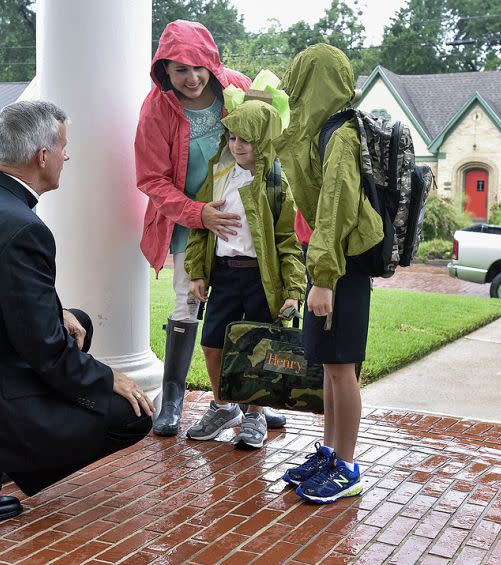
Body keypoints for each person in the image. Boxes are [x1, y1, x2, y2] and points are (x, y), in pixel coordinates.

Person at [0, 101, 154, 522]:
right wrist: (108, 377)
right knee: (131, 415)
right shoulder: (24, 227)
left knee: (80, 322)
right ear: (43, 156)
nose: (67, 156)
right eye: (63, 147)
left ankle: (7, 448)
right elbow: (44, 351)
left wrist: (58, 310)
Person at [134, 20, 286, 435]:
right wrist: (199, 213)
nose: (192, 77)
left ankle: (255, 398)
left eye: (199, 66)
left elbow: (271, 134)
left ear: (213, 62)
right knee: (189, 306)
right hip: (191, 224)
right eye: (180, 69)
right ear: (164, 68)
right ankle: (175, 400)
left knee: (258, 307)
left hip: (248, 223)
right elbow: (151, 179)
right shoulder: (156, 109)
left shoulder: (237, 88)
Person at [274, 45, 384, 504]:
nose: (291, 85)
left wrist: (323, 279)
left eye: (299, 77)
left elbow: (336, 208)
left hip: (341, 264)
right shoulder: (320, 130)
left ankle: (349, 466)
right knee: (328, 364)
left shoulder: (341, 136)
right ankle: (332, 454)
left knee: (342, 367)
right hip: (328, 258)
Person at [184, 98, 305, 448]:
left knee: (258, 349)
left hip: (260, 279)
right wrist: (196, 273)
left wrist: (293, 291)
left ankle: (254, 414)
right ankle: (224, 407)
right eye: (232, 138)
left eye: (245, 140)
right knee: (212, 343)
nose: (236, 146)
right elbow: (200, 229)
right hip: (223, 274)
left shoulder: (276, 184)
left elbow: (287, 242)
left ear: (263, 140)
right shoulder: (220, 175)